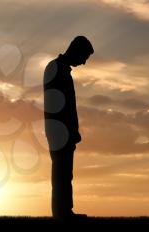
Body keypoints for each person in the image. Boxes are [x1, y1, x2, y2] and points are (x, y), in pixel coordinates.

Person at [43, 36, 94, 219]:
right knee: (61, 171)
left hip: (61, 129)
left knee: (64, 172)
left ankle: (65, 210)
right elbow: (57, 104)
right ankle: (62, 212)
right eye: (84, 57)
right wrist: (67, 130)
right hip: (59, 130)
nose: (84, 62)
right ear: (76, 50)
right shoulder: (56, 69)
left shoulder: (59, 69)